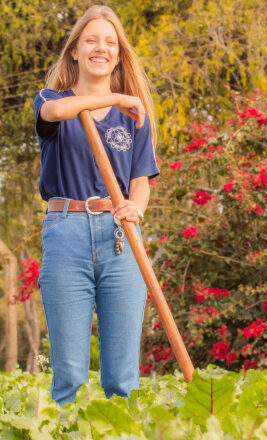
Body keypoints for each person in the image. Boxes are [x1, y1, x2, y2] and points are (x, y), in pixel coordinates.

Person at [33, 5, 160, 406]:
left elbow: (141, 182)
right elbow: (54, 112)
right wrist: (117, 96)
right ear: (75, 51)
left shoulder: (134, 115)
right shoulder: (51, 99)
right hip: (65, 232)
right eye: (91, 40)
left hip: (121, 238)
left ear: (119, 55)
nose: (100, 48)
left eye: (110, 42)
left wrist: (134, 209)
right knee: (69, 375)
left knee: (122, 378)